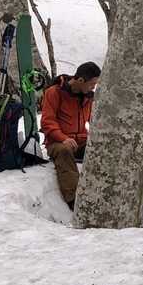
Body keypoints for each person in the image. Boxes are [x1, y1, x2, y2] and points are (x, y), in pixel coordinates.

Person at [41, 62, 99, 205]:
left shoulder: (88, 97)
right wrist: (63, 138)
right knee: (64, 151)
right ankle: (75, 201)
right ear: (80, 80)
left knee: (101, 148)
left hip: (80, 141)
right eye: (92, 84)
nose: (93, 88)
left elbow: (96, 120)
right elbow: (47, 122)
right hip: (57, 142)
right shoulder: (54, 92)